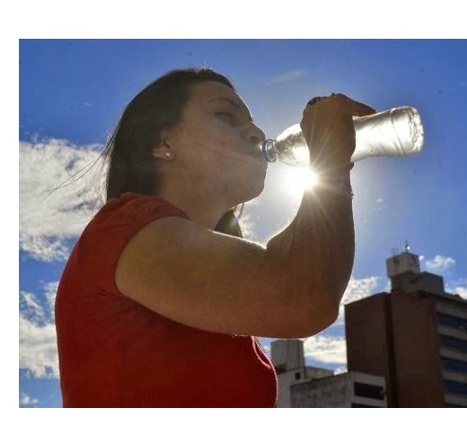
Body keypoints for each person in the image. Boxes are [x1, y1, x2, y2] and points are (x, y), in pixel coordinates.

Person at [54, 67, 375, 407]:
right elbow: (303, 293)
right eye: (226, 115)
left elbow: (295, 268)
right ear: (163, 143)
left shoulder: (215, 291)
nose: (255, 131)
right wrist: (329, 160)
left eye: (251, 120)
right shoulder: (124, 229)